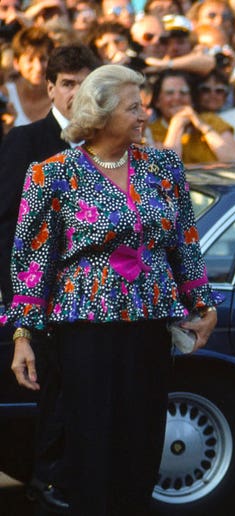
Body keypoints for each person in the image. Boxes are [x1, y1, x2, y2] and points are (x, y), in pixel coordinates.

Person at [7, 64, 221, 515]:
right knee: (92, 448)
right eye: (133, 107)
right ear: (101, 115)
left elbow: (184, 240)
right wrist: (23, 336)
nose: (144, 115)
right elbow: (32, 262)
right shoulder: (53, 174)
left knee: (142, 445)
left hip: (149, 326)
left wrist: (203, 304)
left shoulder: (163, 166)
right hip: (85, 332)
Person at [0, 43, 99, 515]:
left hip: (100, 302)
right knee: (49, 403)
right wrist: (21, 306)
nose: (77, 93)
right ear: (51, 88)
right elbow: (8, 229)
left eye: (85, 82)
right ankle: (45, 486)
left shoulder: (112, 144)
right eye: (68, 83)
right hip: (42, 302)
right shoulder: (25, 141)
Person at [148, 69, 235, 163]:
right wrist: (177, 126)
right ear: (157, 101)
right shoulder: (151, 132)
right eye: (169, 93)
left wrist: (201, 125)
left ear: (192, 99)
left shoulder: (211, 120)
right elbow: (168, 169)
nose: (177, 98)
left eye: (184, 92)